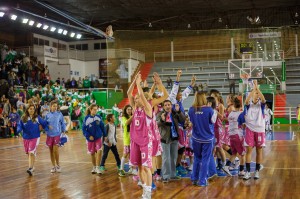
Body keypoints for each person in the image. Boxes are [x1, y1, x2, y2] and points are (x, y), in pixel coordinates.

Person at [127, 72, 153, 199]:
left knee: (147, 167)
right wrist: (134, 81)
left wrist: (139, 85)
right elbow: (128, 93)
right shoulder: (135, 108)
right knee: (139, 167)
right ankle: (145, 190)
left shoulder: (148, 108)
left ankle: (148, 192)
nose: (136, 99)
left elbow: (142, 95)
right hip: (135, 142)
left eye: (138, 98)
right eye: (136, 98)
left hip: (145, 142)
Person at [188, 91, 217, 187]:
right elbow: (213, 121)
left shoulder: (191, 109)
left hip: (196, 138)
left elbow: (191, 122)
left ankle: (194, 178)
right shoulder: (209, 110)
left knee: (197, 158)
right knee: (205, 159)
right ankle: (202, 181)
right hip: (207, 139)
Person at [157, 100, 185, 182]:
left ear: (171, 105)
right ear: (163, 106)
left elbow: (182, 119)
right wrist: (162, 120)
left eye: (169, 104)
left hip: (174, 138)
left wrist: (179, 111)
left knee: (173, 157)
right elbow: (156, 124)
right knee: (166, 158)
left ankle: (173, 175)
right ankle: (165, 176)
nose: (167, 106)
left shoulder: (174, 113)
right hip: (165, 139)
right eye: (165, 105)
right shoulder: (160, 114)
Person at [243, 80, 266, 180]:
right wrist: (253, 89)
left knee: (259, 150)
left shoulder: (262, 105)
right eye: (255, 93)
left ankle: (257, 171)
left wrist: (257, 88)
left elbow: (264, 99)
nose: (256, 95)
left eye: (257, 94)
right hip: (250, 129)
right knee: (248, 150)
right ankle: (247, 172)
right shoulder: (249, 105)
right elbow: (246, 101)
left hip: (260, 130)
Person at [17, 104, 48, 176]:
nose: (32, 110)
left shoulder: (37, 117)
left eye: (33, 109)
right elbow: (20, 126)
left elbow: (44, 123)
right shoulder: (23, 118)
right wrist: (18, 130)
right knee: (29, 153)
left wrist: (47, 128)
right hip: (26, 138)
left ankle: (30, 168)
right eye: (30, 109)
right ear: (27, 110)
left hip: (35, 137)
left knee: (31, 152)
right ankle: (32, 167)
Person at [223, 96, 246, 177]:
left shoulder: (231, 113)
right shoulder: (241, 114)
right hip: (237, 135)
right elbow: (244, 125)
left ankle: (226, 166)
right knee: (243, 154)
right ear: (240, 106)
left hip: (231, 135)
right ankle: (241, 171)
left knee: (234, 153)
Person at [82, 104, 105, 175]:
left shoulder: (99, 117)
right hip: (90, 140)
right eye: (94, 109)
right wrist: (88, 136)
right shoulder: (86, 118)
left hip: (98, 138)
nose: (95, 111)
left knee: (99, 150)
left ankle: (98, 167)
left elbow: (102, 126)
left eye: (96, 109)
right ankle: (94, 167)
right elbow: (83, 129)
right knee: (92, 154)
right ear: (90, 110)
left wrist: (105, 135)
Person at [45, 100, 66, 173]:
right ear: (50, 107)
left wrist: (64, 129)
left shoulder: (59, 114)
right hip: (49, 135)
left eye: (56, 106)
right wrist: (47, 126)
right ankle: (53, 166)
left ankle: (58, 165)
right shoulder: (47, 115)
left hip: (57, 134)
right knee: (50, 150)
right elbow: (45, 124)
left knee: (55, 150)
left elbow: (63, 122)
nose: (55, 107)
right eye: (54, 106)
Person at [120, 105, 136, 174]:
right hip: (127, 139)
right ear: (125, 110)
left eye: (130, 109)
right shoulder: (123, 117)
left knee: (132, 154)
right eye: (128, 110)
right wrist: (133, 116)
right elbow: (126, 123)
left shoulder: (133, 117)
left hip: (133, 139)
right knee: (125, 153)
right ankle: (121, 168)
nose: (129, 111)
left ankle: (131, 168)